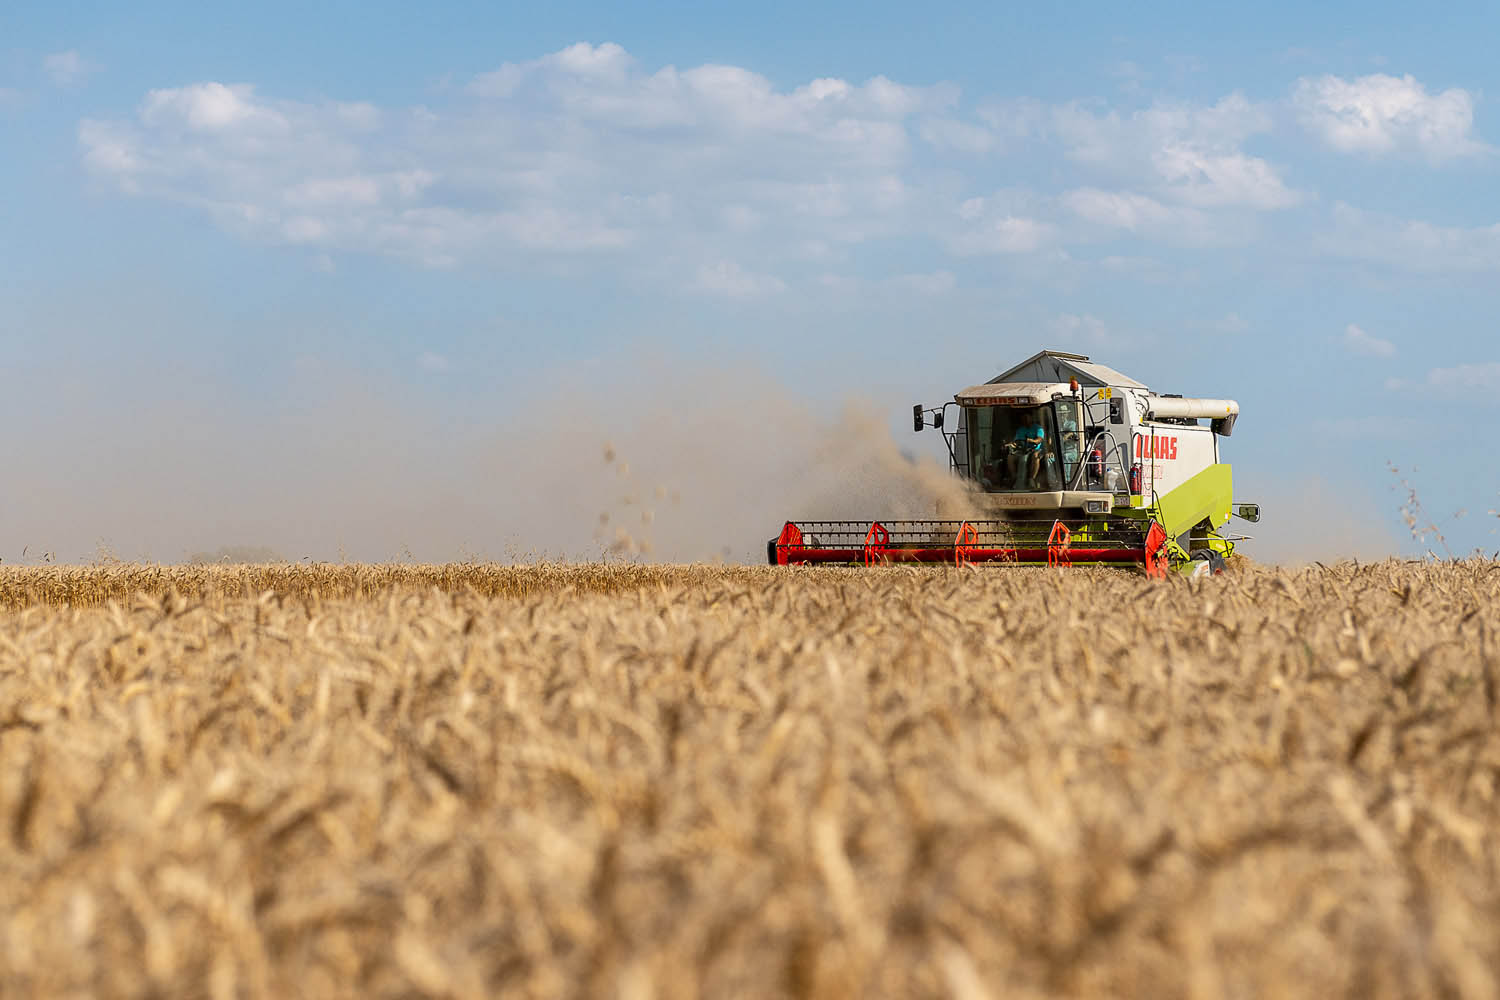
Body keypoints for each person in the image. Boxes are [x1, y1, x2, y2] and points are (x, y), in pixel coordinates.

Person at [1007, 410, 1046, 489]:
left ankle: (1032, 479)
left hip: (1036, 450)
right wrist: (1010, 444)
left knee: (1035, 456)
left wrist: (1032, 441)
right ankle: (1014, 477)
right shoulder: (1020, 429)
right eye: (1023, 418)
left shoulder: (1038, 428)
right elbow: (1016, 442)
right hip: (1022, 450)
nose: (1024, 419)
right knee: (1010, 457)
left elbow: (1039, 440)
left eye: (1026, 417)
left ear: (1031, 418)